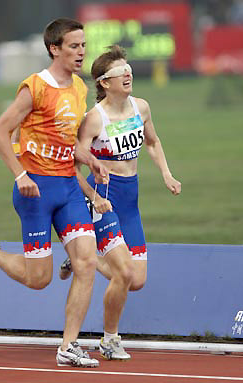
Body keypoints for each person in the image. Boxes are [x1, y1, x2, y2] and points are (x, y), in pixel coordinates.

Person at [0, 18, 110, 368]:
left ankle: (68, 346)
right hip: (35, 191)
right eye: (74, 46)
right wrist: (20, 175)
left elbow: (67, 140)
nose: (82, 52)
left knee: (87, 262)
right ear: (54, 49)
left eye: (83, 45)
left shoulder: (79, 89)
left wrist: (88, 158)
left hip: (67, 187)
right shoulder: (34, 87)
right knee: (39, 279)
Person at [60, 45, 181, 360]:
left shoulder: (141, 107)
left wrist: (167, 174)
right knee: (124, 273)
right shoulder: (93, 120)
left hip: (131, 203)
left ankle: (80, 259)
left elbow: (153, 142)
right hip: (106, 202)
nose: (127, 75)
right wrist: (94, 196)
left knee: (136, 280)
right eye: (119, 72)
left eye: (128, 69)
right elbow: (71, 169)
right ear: (103, 82)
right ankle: (109, 340)